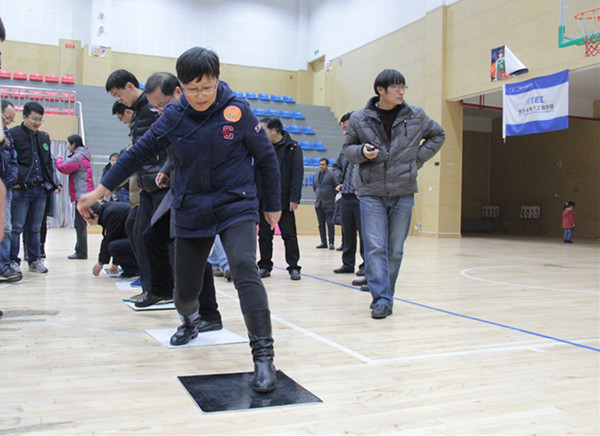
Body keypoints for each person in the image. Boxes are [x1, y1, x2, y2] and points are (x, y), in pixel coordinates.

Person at [78, 47, 281, 393]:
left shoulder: (238, 111)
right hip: (191, 206)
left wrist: (273, 204)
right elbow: (137, 154)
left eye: (207, 87)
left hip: (235, 203)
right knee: (185, 291)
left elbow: (266, 158)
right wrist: (100, 190)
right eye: (192, 89)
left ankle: (263, 356)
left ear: (217, 80)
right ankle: (190, 320)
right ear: (180, 87)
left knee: (245, 268)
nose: (200, 95)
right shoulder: (173, 115)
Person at [344, 69, 445, 319]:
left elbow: (438, 134)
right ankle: (381, 298)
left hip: (403, 190)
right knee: (375, 247)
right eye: (396, 87)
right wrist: (361, 152)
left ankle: (385, 296)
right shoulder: (359, 118)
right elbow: (348, 149)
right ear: (381, 90)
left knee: (395, 249)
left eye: (403, 87)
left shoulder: (416, 115)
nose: (401, 92)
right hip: (371, 191)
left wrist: (415, 161)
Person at [105, 70, 166, 303]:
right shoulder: (140, 112)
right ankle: (153, 289)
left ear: (129, 86)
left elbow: (154, 150)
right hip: (146, 186)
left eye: (117, 94)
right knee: (141, 234)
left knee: (155, 238)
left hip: (161, 184)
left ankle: (162, 289)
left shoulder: (152, 110)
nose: (119, 100)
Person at [9, 102, 58, 274]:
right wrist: (14, 180)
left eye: (40, 120)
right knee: (16, 227)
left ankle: (34, 260)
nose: (37, 123)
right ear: (24, 117)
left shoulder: (44, 137)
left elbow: (48, 162)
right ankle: (13, 261)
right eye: (34, 119)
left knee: (36, 228)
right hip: (21, 189)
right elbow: (10, 160)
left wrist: (50, 183)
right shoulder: (13, 134)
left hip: (40, 189)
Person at [256, 116, 303, 281]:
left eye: (263, 130)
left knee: (289, 235)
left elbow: (297, 174)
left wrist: (294, 197)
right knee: (264, 235)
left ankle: (294, 267)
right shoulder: (261, 147)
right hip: (264, 199)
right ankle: (264, 265)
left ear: (274, 130)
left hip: (284, 199)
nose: (260, 133)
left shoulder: (293, 148)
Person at [332, 112, 365, 277]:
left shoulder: (368, 146)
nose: (345, 132)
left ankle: (366, 265)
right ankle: (347, 263)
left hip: (362, 197)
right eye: (344, 129)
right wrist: (342, 179)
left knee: (365, 234)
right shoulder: (345, 149)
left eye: (347, 128)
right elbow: (336, 167)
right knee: (348, 233)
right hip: (346, 196)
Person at [55, 134, 94, 259]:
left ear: (73, 144)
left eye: (68, 143)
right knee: (80, 224)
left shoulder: (78, 156)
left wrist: (58, 159)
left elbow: (63, 167)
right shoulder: (83, 154)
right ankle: (80, 250)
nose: (67, 146)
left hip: (82, 195)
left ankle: (81, 252)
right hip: (85, 193)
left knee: (80, 224)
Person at [87, 201, 139, 278]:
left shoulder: (110, 214)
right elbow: (118, 235)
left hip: (139, 241)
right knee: (115, 245)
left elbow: (108, 239)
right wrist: (115, 264)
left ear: (95, 216)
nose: (88, 222)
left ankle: (134, 270)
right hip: (137, 238)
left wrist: (100, 263)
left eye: (89, 221)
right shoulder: (108, 210)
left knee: (112, 247)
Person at [0, 100, 20, 282]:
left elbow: (13, 161)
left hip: (5, 188)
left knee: (6, 228)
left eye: (11, 120)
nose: (9, 122)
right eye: (7, 118)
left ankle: (4, 267)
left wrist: (10, 180)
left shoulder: (8, 135)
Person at [313, 157, 337, 250]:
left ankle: (331, 242)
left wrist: (330, 197)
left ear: (327, 165)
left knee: (330, 224)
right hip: (318, 203)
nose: (321, 166)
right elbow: (315, 188)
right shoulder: (315, 175)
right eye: (320, 164)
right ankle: (323, 242)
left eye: (323, 164)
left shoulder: (332, 175)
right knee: (321, 224)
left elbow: (336, 187)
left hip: (329, 203)